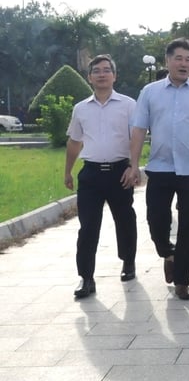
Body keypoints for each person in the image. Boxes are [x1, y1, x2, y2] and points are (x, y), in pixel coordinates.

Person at [125, 38, 189, 301]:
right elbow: (139, 129)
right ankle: (168, 252)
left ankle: (183, 281)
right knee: (156, 220)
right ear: (167, 61)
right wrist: (133, 165)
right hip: (160, 167)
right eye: (178, 58)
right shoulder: (150, 92)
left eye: (188, 59)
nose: (184, 63)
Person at [64, 54, 137, 298]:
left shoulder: (128, 105)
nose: (102, 74)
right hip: (91, 175)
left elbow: (137, 139)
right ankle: (86, 277)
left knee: (124, 220)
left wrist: (134, 166)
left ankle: (128, 261)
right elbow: (74, 141)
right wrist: (68, 171)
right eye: (97, 71)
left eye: (107, 70)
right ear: (89, 77)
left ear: (114, 76)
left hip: (120, 172)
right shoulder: (81, 108)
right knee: (88, 227)